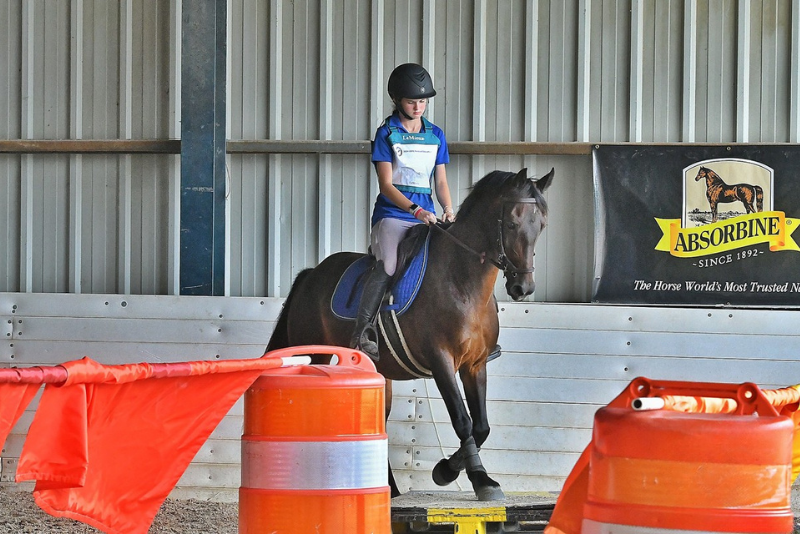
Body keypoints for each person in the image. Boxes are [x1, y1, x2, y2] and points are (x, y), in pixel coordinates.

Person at [350, 63, 456, 361]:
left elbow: (442, 180)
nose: (419, 106)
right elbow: (386, 185)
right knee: (389, 266)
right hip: (394, 216)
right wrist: (416, 209)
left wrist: (448, 208)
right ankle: (362, 333)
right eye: (412, 101)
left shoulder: (436, 134)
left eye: (423, 101)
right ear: (397, 100)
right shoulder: (387, 133)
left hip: (429, 218)